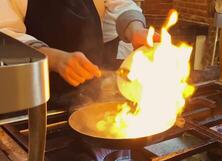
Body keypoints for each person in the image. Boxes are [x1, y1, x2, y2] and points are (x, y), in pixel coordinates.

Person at [1, 0, 157, 105]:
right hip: (37, 97)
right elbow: (6, 34)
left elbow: (121, 5)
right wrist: (56, 60)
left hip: (92, 93)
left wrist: (135, 29)